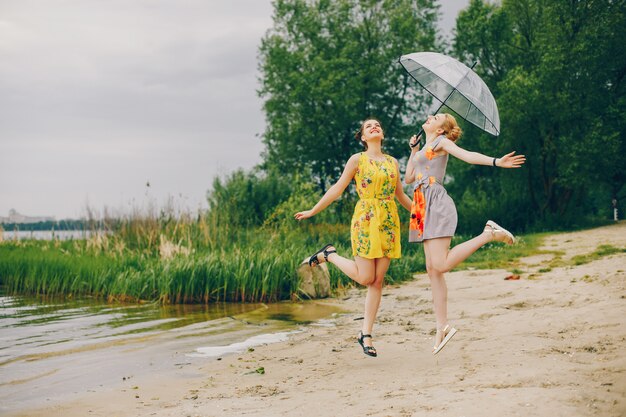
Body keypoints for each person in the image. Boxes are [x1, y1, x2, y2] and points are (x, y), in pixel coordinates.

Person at [405, 113, 526, 355]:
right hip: (420, 206)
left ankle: (488, 234)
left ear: (441, 130)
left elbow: (468, 156)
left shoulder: (441, 143)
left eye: (436, 117)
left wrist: (495, 161)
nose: (430, 116)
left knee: (441, 264)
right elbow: (408, 178)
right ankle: (443, 327)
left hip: (436, 203)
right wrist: (413, 149)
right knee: (432, 270)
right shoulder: (425, 147)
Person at [295, 118, 412, 357]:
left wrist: (424, 213)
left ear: (382, 134)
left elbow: (401, 195)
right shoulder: (357, 160)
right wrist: (313, 210)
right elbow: (337, 189)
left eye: (377, 125)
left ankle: (366, 334)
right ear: (363, 138)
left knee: (377, 281)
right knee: (366, 277)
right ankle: (330, 255)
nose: (374, 127)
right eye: (369, 126)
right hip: (366, 220)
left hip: (389, 221)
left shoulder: (392, 162)